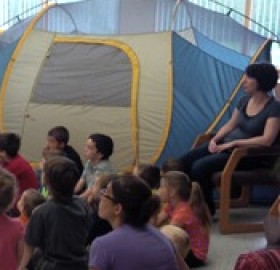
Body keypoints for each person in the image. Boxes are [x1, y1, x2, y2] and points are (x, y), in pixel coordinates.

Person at [179, 63, 280, 215]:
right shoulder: (244, 100)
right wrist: (215, 140)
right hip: (225, 146)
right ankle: (186, 207)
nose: (243, 81)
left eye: (248, 77)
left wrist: (234, 143)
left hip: (247, 155)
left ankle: (205, 211)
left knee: (199, 167)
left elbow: (267, 140)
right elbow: (230, 125)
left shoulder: (274, 107)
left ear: (261, 81)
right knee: (183, 161)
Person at [88, 174, 182, 270]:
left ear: (117, 209)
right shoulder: (163, 238)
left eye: (105, 192)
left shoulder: (102, 246)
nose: (101, 196)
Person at [19, 156, 92, 270]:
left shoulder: (41, 212)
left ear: (47, 180)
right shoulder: (82, 204)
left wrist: (21, 267)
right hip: (80, 264)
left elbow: (29, 246)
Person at [157, 171, 211, 268]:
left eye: (161, 187)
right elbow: (156, 221)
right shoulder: (171, 205)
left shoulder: (183, 212)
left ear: (172, 192)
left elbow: (167, 237)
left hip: (195, 256)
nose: (158, 190)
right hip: (186, 249)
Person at [0, 133, 39, 216]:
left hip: (23, 206)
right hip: (16, 200)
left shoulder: (16, 166)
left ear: (3, 152)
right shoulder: (7, 160)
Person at [74, 133, 115, 199]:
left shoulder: (104, 168)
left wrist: (76, 200)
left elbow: (91, 190)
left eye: (89, 148)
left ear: (100, 154)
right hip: (90, 196)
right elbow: (82, 179)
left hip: (98, 200)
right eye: (86, 146)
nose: (85, 149)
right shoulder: (90, 162)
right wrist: (71, 193)